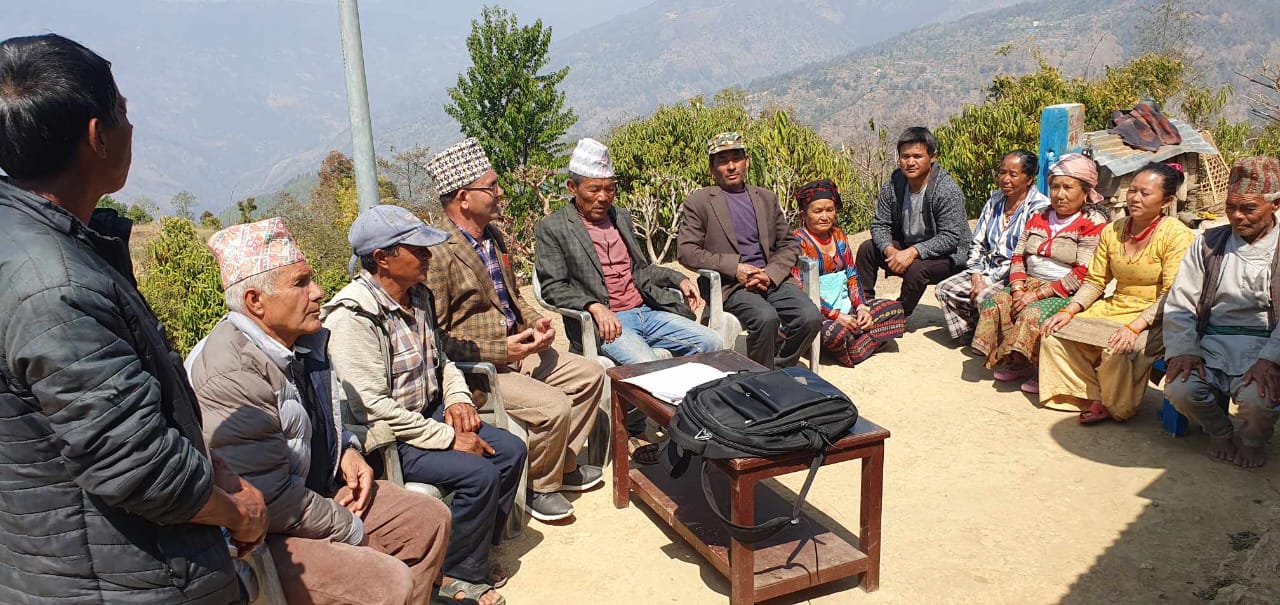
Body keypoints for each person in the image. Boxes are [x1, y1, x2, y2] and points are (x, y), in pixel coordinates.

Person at [0, 33, 263, 604]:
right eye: (122, 111)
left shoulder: (32, 245)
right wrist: (236, 512)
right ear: (98, 136)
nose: (131, 126)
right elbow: (136, 464)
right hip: (124, 580)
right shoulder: (56, 285)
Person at [188, 218, 452, 605]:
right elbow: (268, 501)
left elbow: (313, 418)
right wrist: (351, 529)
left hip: (311, 493)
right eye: (301, 283)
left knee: (428, 520)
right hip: (264, 534)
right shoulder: (231, 372)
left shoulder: (303, 341)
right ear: (255, 302)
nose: (319, 291)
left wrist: (346, 450)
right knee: (386, 582)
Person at [323, 205, 525, 605]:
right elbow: (374, 407)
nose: (429, 256)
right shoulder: (354, 317)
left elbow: (443, 360)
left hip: (429, 412)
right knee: (479, 475)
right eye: (418, 250)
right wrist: (447, 437)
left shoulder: (418, 296)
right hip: (394, 437)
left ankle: (473, 552)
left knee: (512, 450)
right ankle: (452, 572)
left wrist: (457, 398)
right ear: (383, 258)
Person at [424, 137, 606, 523]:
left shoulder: (492, 237)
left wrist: (535, 322)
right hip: (481, 370)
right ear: (463, 198)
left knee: (592, 375)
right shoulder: (437, 254)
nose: (500, 192)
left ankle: (563, 463)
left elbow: (510, 295)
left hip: (520, 351)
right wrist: (500, 350)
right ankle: (541, 487)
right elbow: (436, 337)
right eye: (491, 186)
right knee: (554, 407)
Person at [535, 138, 721, 464]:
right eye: (594, 190)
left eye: (609, 189)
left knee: (711, 342)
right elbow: (553, 287)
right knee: (646, 365)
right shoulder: (553, 228)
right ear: (572, 187)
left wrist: (678, 278)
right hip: (606, 324)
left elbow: (642, 271)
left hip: (645, 310)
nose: (603, 197)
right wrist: (594, 306)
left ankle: (694, 417)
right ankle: (636, 430)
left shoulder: (619, 217)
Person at [1040, 163, 1195, 424]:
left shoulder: (1176, 235)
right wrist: (1069, 310)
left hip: (1156, 315)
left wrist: (1135, 328)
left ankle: (1115, 406)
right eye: (1133, 190)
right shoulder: (1114, 229)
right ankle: (1090, 396)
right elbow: (1095, 281)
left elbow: (1172, 293)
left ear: (1166, 201)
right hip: (1115, 306)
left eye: (1145, 193)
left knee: (1118, 348)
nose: (1135, 197)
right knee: (1054, 334)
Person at [1164, 157, 1280, 468]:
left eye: (1249, 208)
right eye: (1231, 207)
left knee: (1260, 401)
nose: (1237, 216)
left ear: (1275, 204)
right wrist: (1184, 349)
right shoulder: (1208, 243)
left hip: (1266, 347)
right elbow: (1181, 300)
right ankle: (1219, 431)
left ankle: (1255, 441)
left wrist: (1271, 358)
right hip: (1211, 343)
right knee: (1180, 389)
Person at [677, 131, 823, 368]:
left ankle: (775, 369)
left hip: (771, 279)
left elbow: (788, 243)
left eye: (736, 158)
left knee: (810, 317)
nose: (731, 166)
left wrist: (770, 273)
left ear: (747, 161)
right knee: (766, 318)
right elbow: (686, 251)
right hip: (731, 285)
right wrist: (735, 268)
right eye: (723, 161)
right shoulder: (700, 202)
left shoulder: (766, 198)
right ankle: (760, 383)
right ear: (712, 169)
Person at [971, 154, 1109, 393]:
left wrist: (1035, 296)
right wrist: (1017, 288)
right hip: (1028, 284)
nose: (1060, 194)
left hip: (1064, 289)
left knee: (1033, 313)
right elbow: (1018, 256)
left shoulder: (1092, 221)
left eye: (1068, 187)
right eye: (1055, 187)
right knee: (996, 302)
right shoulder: (1040, 215)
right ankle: (1014, 359)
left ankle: (1038, 368)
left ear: (1085, 192)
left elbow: (1083, 271)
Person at [856, 126, 971, 321]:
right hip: (908, 246)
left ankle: (898, 315)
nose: (910, 162)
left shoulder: (946, 190)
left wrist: (912, 252)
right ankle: (862, 303)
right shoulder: (894, 183)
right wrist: (890, 251)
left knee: (918, 269)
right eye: (905, 156)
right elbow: (879, 224)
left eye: (917, 156)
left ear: (932, 157)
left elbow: (951, 238)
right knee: (867, 249)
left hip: (949, 256)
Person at [935, 150, 1049, 341]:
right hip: (988, 268)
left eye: (1013, 174)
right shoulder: (995, 201)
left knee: (984, 297)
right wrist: (977, 276)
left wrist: (988, 283)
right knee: (944, 289)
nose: (1005, 179)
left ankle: (995, 341)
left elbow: (1025, 256)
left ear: (1029, 179)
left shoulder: (1039, 208)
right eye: (1002, 172)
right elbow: (978, 242)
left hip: (1014, 275)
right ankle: (970, 332)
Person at [791, 179, 906, 367]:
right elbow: (802, 290)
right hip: (818, 313)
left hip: (847, 308)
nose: (825, 216)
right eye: (818, 211)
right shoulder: (797, 241)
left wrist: (861, 308)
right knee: (836, 334)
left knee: (894, 309)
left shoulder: (838, 235)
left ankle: (854, 347)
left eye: (830, 210)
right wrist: (837, 316)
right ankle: (867, 342)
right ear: (804, 214)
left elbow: (852, 274)